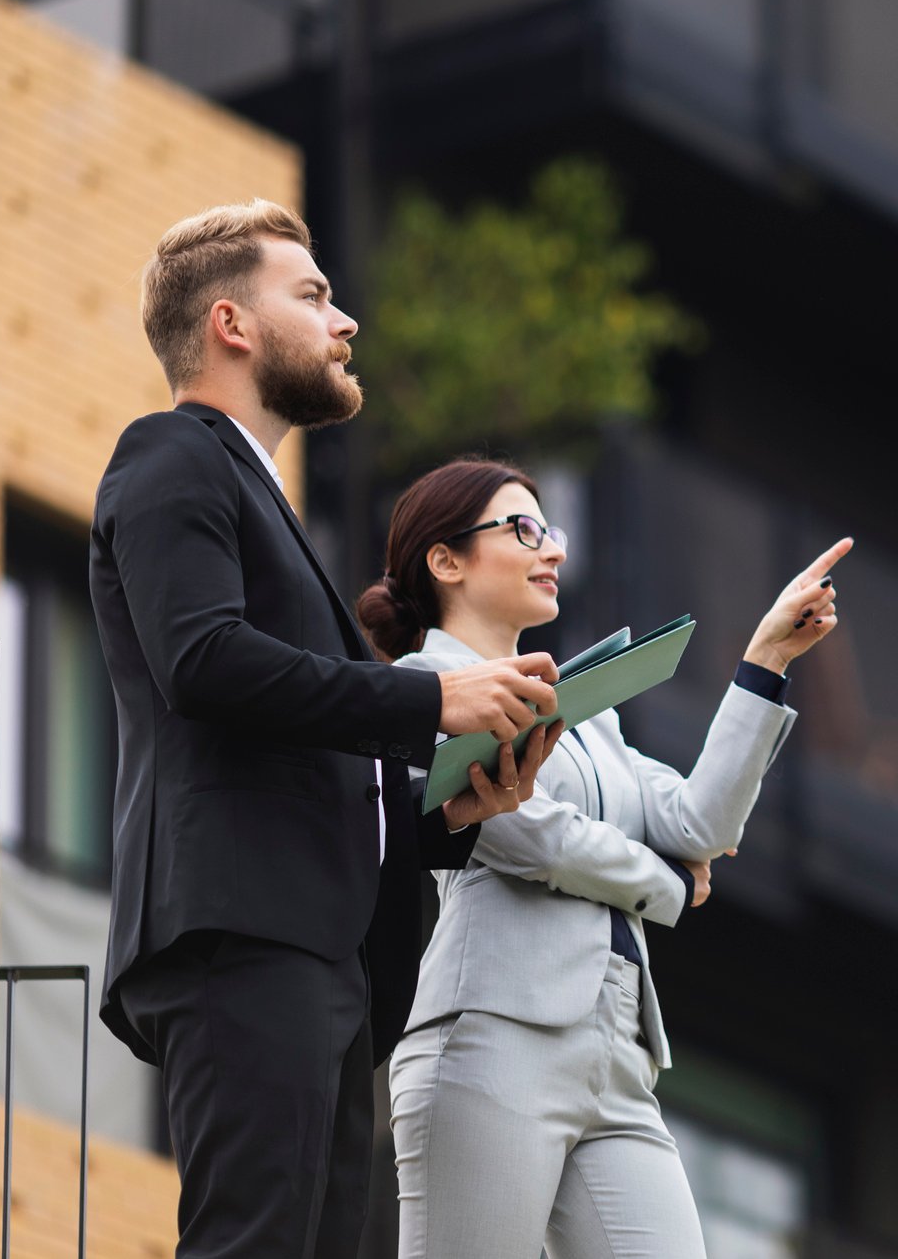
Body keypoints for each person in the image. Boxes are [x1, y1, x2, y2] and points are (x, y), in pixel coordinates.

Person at [90, 200, 568, 1258]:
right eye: (312, 295)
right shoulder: (171, 454)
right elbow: (203, 660)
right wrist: (429, 700)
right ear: (230, 324)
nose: (344, 320)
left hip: (320, 952)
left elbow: (326, 753)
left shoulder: (264, 502)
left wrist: (459, 811)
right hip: (244, 928)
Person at [356, 458, 848, 1259]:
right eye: (522, 529)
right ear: (445, 561)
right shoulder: (428, 683)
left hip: (617, 1053)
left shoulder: (584, 712)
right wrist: (663, 884)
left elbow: (698, 824)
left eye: (549, 530)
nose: (551, 548)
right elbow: (521, 832)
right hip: (493, 1035)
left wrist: (764, 666)